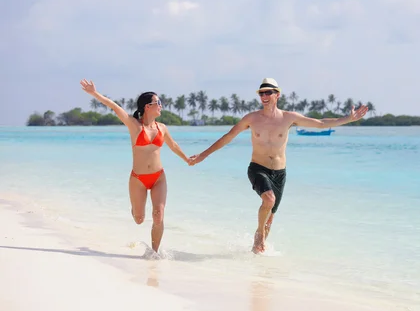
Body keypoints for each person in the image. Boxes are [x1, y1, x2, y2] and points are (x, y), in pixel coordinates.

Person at [189, 78, 368, 254]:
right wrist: (203, 155)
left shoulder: (288, 118)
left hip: (279, 173)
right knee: (269, 199)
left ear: (277, 95)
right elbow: (228, 137)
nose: (264, 95)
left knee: (270, 219)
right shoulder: (252, 118)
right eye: (261, 93)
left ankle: (258, 264)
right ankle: (258, 235)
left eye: (268, 92)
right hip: (258, 168)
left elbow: (320, 123)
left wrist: (347, 119)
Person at [80, 79, 191, 253]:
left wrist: (187, 159)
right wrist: (94, 93)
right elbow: (115, 107)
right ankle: (135, 208)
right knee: (139, 219)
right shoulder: (134, 126)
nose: (161, 106)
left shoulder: (162, 128)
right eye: (158, 103)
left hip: (158, 178)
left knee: (158, 215)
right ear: (147, 106)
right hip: (138, 179)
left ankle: (154, 253)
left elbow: (173, 145)